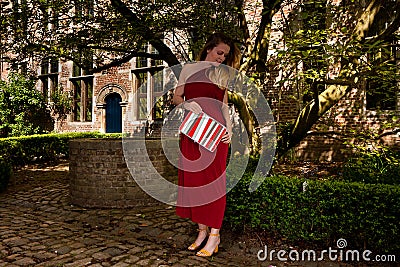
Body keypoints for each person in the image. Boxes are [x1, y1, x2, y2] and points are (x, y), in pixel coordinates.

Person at [173, 32, 241, 257]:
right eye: (220, 52)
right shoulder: (188, 69)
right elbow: (177, 97)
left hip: (216, 135)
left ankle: (215, 235)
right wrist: (187, 104)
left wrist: (229, 130)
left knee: (214, 184)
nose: (222, 58)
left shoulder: (222, 74)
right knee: (194, 183)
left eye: (226, 55)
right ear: (209, 48)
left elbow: (223, 106)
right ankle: (201, 231)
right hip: (192, 132)